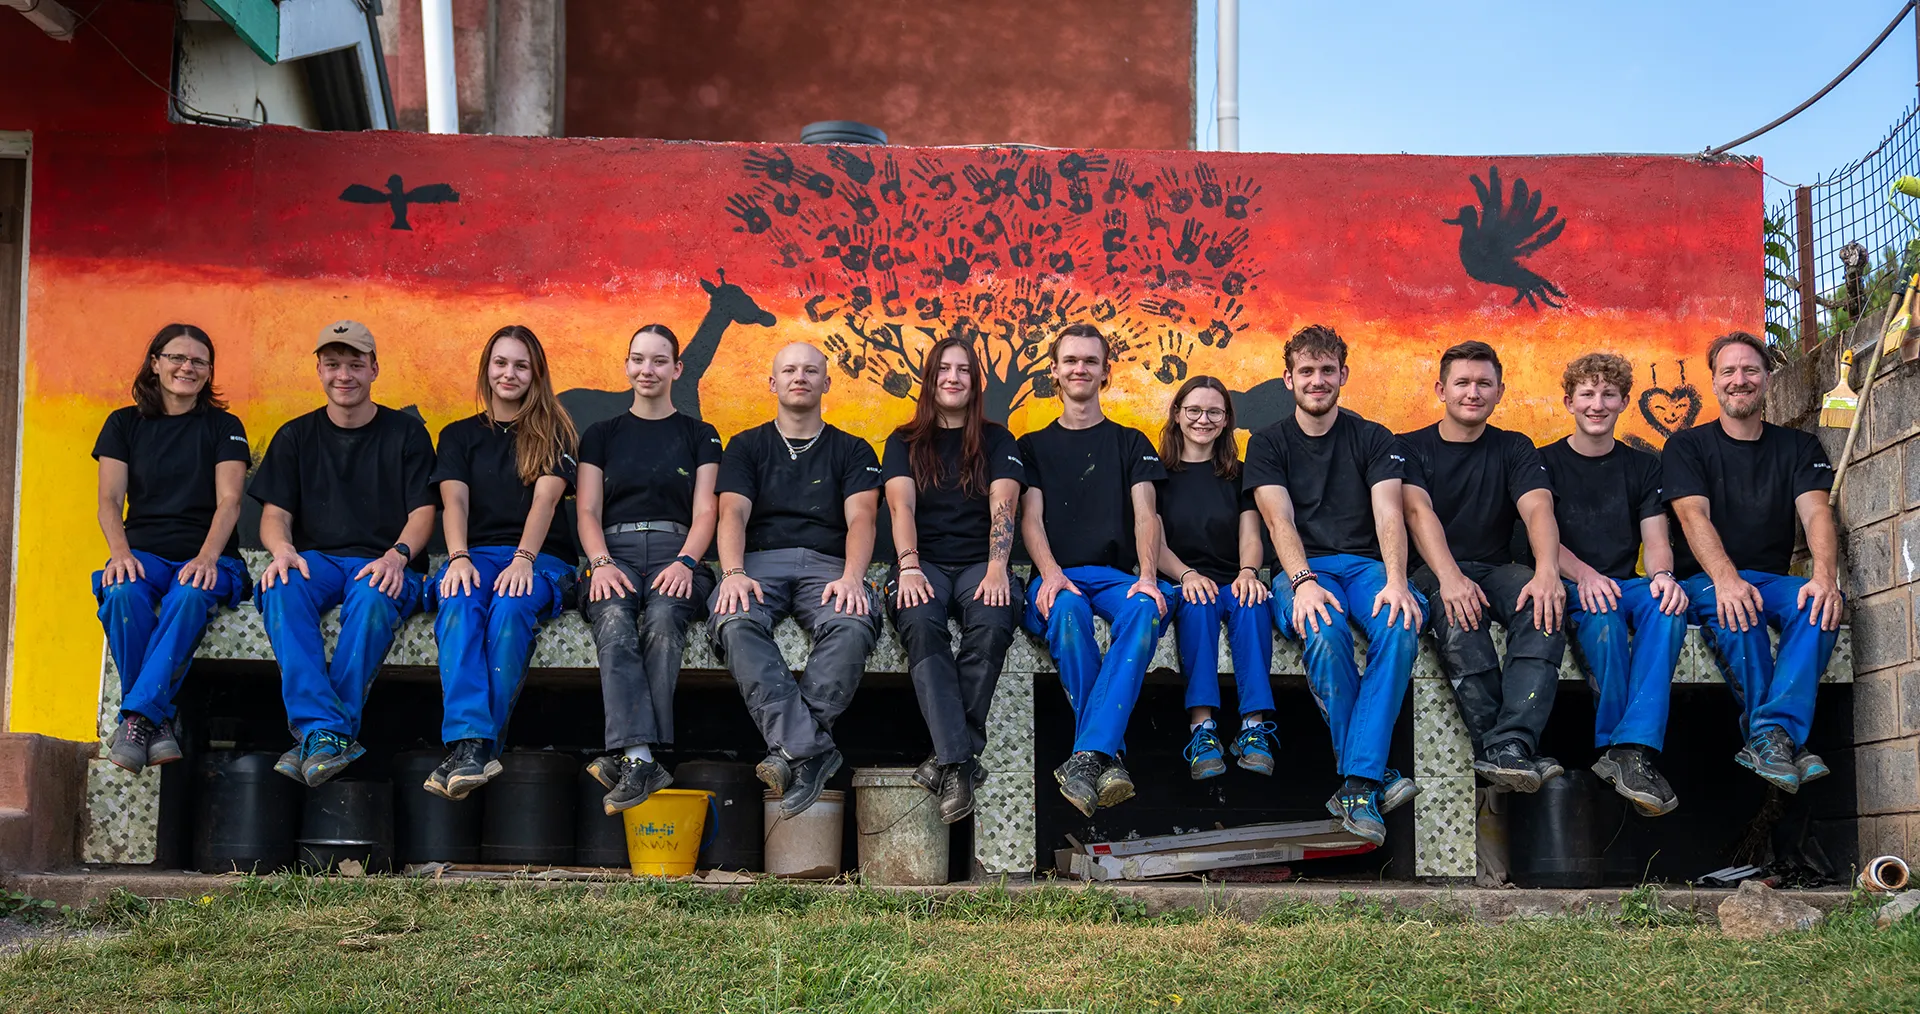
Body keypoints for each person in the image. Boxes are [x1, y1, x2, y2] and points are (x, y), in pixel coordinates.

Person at [1246, 326, 1424, 846]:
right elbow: (1278, 520)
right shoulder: (1268, 442)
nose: (1317, 380)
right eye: (1306, 371)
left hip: (1368, 568)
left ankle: (1355, 784)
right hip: (1305, 569)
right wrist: (1302, 582)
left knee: (1401, 623)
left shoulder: (1374, 437)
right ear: (1289, 379)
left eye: (1327, 370)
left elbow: (1389, 512)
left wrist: (1397, 582)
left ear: (1343, 375)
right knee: (1323, 629)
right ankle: (1369, 776)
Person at [252, 321, 436, 787]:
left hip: (383, 563)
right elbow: (273, 515)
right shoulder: (295, 436)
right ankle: (328, 732)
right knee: (280, 587)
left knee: (373, 597)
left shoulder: (407, 434)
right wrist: (282, 550)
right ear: (319, 370)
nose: (344, 375)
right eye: (333, 364)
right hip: (318, 562)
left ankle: (320, 735)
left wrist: (397, 556)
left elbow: (423, 513)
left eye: (355, 364)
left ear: (374, 369)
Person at [1664, 331, 1842, 793]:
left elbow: (1817, 513)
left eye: (1749, 370)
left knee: (1820, 604)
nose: (1739, 380)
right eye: (1728, 371)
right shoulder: (1687, 446)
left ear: (1766, 378)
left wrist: (1824, 577)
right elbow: (1692, 515)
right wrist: (1726, 579)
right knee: (1739, 613)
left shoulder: (1799, 447)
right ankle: (1781, 739)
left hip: (1772, 580)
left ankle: (1771, 735)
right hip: (1706, 579)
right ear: (1713, 382)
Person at [711, 343, 881, 818]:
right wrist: (733, 573)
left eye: (810, 370)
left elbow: (863, 518)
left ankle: (793, 749)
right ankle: (810, 749)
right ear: (773, 383)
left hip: (828, 566)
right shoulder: (746, 445)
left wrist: (853, 578)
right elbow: (731, 513)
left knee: (852, 622)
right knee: (735, 620)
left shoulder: (853, 449)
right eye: (789, 370)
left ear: (827, 382)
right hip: (758, 564)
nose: (799, 377)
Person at [1400, 340, 1568, 793]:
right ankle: (1503, 749)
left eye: (1483, 384)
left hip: (1495, 568)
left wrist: (1548, 572)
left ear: (1499, 392)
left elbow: (1538, 509)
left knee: (1543, 605)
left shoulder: (1514, 447)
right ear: (1441, 390)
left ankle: (1509, 744)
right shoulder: (1409, 447)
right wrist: (1450, 578)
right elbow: (1417, 512)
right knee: (1460, 613)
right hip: (1430, 570)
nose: (1472, 392)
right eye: (1462, 383)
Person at [423, 326, 579, 801]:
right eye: (501, 363)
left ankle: (473, 747)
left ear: (536, 374)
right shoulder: (458, 435)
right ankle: (472, 745)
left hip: (541, 557)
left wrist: (523, 559)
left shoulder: (555, 432)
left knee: (510, 607)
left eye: (521, 366)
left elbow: (545, 503)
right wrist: (458, 557)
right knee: (458, 598)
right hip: (475, 555)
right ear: (486, 369)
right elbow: (454, 503)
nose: (509, 374)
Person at [1019, 322, 1169, 817]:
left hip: (1114, 577)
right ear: (1055, 371)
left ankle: (1088, 756)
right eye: (1070, 360)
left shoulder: (1131, 442)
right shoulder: (1032, 445)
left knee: (1144, 608)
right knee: (1065, 611)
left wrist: (1148, 577)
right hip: (1057, 576)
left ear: (1106, 371)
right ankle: (1106, 755)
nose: (1080, 368)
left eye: (1090, 361)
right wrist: (1051, 573)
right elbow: (1030, 519)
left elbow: (1147, 516)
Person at [91, 324, 253, 772]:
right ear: (155, 363)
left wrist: (207, 557)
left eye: (199, 361)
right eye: (177, 357)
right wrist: (120, 554)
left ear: (210, 371)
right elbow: (109, 500)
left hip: (210, 556)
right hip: (142, 553)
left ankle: (138, 718)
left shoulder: (224, 426)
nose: (187, 367)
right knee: (121, 592)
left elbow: (230, 501)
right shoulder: (123, 423)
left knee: (190, 593)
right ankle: (155, 722)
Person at [578, 324, 723, 813]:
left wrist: (686, 561)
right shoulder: (600, 435)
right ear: (626, 366)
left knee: (662, 618)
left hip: (676, 552)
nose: (648, 370)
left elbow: (707, 510)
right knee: (614, 618)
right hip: (612, 554)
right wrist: (600, 563)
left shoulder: (700, 434)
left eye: (659, 361)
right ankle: (641, 757)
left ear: (677, 369)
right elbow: (587, 511)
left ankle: (631, 757)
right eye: (638, 359)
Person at [882, 337, 1026, 823]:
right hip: (923, 563)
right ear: (930, 378)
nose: (953, 378)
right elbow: (901, 508)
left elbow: (1004, 507)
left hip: (979, 563)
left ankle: (945, 759)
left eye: (964, 370)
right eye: (944, 368)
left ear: (975, 382)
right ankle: (960, 761)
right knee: (921, 622)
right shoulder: (903, 441)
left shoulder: (998, 440)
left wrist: (997, 567)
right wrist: (908, 565)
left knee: (993, 618)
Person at [1542, 353, 1688, 815]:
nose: (1597, 404)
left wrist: (1663, 577)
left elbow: (1656, 540)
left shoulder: (1643, 467)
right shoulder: (1544, 462)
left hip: (1626, 584)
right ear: (1569, 402)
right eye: (1587, 394)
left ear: (1624, 402)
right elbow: (1540, 540)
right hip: (1570, 582)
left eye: (1608, 395)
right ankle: (1621, 746)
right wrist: (1585, 575)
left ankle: (1628, 749)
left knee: (1668, 607)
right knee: (1601, 611)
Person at [1151, 376, 1277, 782]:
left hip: (1231, 578)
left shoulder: (1239, 475)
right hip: (1182, 581)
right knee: (1199, 603)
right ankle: (1202, 728)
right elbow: (1153, 543)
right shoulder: (1156, 475)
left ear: (1226, 421)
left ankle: (1254, 727)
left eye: (1213, 412)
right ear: (1177, 414)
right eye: (1194, 410)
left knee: (1254, 602)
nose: (1202, 420)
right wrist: (1187, 575)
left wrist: (1248, 573)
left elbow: (1250, 536)